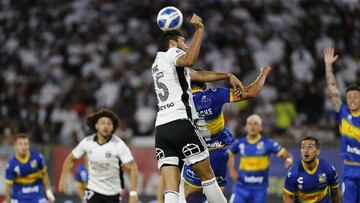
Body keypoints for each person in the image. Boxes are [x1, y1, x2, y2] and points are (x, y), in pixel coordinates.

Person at [152, 13, 244, 203]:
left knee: (171, 185)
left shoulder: (158, 62)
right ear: (172, 42)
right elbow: (189, 61)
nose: (185, 45)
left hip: (162, 128)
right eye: (183, 42)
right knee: (207, 176)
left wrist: (227, 75)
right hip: (181, 123)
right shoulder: (173, 53)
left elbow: (195, 74)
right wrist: (199, 30)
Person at [181, 65, 272, 203]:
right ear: (204, 85)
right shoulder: (215, 95)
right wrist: (263, 74)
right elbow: (251, 92)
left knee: (191, 193)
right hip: (218, 154)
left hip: (196, 154)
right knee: (215, 195)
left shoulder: (179, 102)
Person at [58, 109, 139, 203]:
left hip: (113, 193)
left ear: (113, 127)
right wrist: (63, 177)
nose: (106, 126)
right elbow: (70, 159)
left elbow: (133, 168)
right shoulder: (87, 142)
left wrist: (133, 193)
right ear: (96, 126)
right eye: (103, 123)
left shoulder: (119, 145)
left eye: (109, 124)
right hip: (93, 191)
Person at [229, 114, 293, 203]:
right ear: (246, 128)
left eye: (255, 124)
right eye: (249, 124)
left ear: (260, 128)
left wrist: (288, 161)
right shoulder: (239, 143)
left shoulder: (268, 143)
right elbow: (230, 155)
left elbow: (288, 156)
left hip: (259, 189)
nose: (252, 126)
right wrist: (232, 171)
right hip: (241, 187)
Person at [324, 47, 360, 203]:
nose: (352, 99)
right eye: (349, 97)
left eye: (356, 97)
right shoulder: (343, 113)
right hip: (349, 170)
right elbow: (332, 87)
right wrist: (328, 66)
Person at [283, 136, 340, 203]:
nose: (306, 150)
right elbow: (287, 197)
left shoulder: (328, 169)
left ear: (317, 151)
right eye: (303, 147)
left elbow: (334, 192)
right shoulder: (293, 173)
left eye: (310, 147)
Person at [5, 134, 56, 203]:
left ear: (29, 145)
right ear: (15, 147)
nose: (23, 147)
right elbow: (8, 186)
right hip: (19, 197)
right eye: (20, 144)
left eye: (26, 144)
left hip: (37, 195)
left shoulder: (37, 157)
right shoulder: (11, 163)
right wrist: (8, 201)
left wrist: (49, 192)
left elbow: (44, 175)